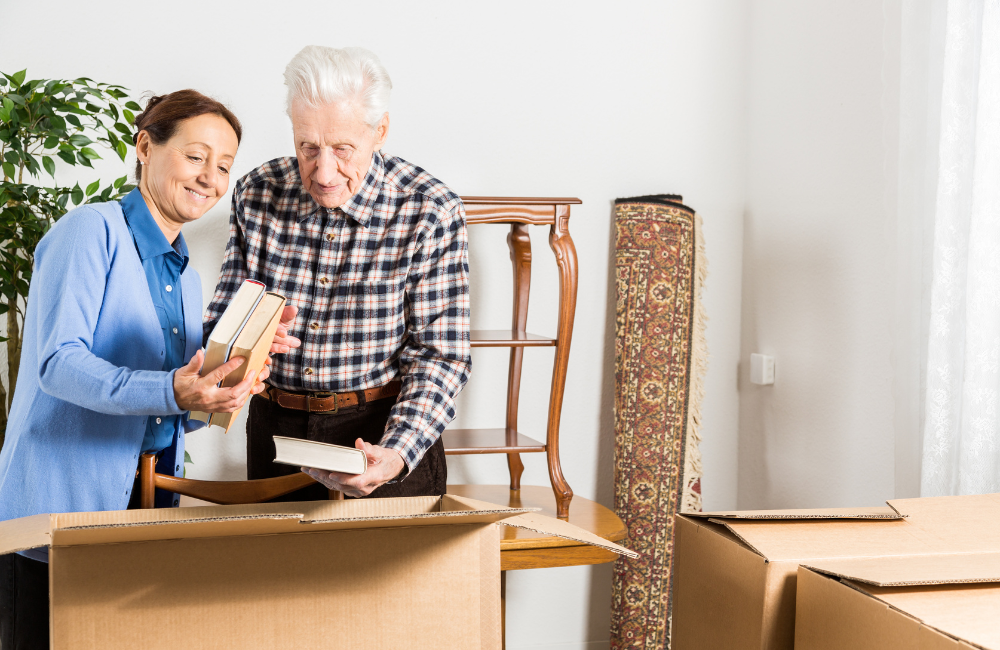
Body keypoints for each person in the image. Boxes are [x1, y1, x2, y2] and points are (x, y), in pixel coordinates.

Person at [0, 90, 280, 650]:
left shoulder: (189, 277)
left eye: (224, 166)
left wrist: (223, 390)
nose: (210, 178)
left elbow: (172, 410)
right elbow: (58, 364)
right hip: (59, 508)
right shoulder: (89, 230)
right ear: (146, 146)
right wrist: (174, 389)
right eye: (197, 157)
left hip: (145, 506)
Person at [205, 45, 471, 500]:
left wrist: (394, 453)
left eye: (342, 149)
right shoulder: (256, 192)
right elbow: (224, 319)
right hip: (277, 432)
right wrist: (250, 342)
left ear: (379, 131)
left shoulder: (429, 209)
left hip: (382, 430)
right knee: (281, 574)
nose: (324, 172)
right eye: (307, 147)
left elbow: (441, 356)